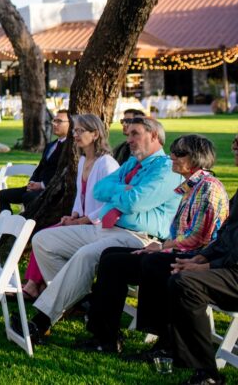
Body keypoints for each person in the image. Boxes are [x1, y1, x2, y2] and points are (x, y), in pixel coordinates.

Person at [27, 117, 181, 343]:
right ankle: (84, 302)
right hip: (107, 228)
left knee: (86, 254)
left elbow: (135, 202)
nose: (128, 140)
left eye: (135, 134)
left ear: (155, 136)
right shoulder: (131, 163)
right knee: (43, 240)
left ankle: (41, 319)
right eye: (128, 135)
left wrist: (123, 193)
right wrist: (126, 189)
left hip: (139, 237)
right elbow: (99, 190)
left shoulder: (166, 169)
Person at [83, 134, 229, 356]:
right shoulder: (190, 187)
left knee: (152, 262)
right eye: (172, 151)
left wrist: (161, 248)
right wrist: (161, 246)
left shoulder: (208, 188)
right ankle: (105, 336)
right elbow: (183, 234)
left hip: (197, 257)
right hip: (180, 251)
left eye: (179, 153)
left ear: (196, 158)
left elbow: (198, 238)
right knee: (111, 257)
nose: (172, 156)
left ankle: (165, 341)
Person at [21, 113, 119, 301]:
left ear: (95, 134)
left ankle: (50, 288)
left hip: (98, 226)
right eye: (74, 130)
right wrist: (74, 214)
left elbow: (113, 202)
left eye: (80, 131)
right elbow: (80, 195)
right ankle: (42, 286)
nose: (75, 134)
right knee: (43, 236)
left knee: (45, 237)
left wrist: (85, 219)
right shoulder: (82, 160)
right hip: (82, 220)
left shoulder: (107, 163)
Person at [165, 189, 238, 385]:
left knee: (185, 283)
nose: (234, 155)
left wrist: (204, 266)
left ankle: (208, 374)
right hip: (226, 264)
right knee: (162, 265)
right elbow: (226, 232)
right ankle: (166, 345)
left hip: (234, 272)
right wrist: (203, 256)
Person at [0, 109, 72, 213]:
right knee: (2, 195)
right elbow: (40, 167)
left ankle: (26, 226)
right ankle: (5, 225)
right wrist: (32, 182)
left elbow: (62, 173)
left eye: (59, 121)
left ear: (71, 124)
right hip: (36, 187)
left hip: (51, 190)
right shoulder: (51, 145)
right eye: (54, 121)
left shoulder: (70, 148)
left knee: (28, 197)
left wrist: (42, 185)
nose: (54, 124)